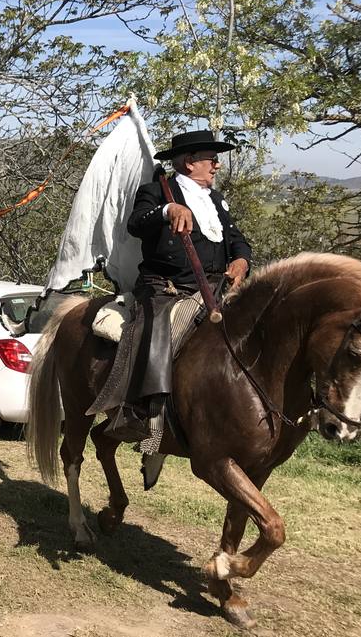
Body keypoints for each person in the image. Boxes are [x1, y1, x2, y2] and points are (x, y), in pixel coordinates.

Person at [106, 129, 252, 441]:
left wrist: (242, 261)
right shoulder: (157, 191)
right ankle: (139, 411)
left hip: (215, 289)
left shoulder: (216, 200)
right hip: (165, 287)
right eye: (211, 159)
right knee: (156, 328)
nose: (217, 165)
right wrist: (167, 210)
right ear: (189, 163)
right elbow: (136, 223)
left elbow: (237, 240)